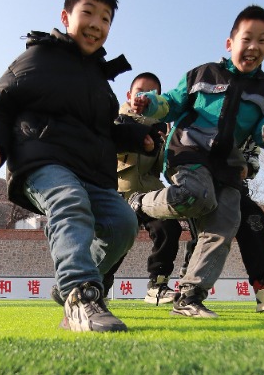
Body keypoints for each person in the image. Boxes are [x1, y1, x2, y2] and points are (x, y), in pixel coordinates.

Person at [0, 0, 159, 333]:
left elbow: (104, 130)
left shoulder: (100, 80)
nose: (96, 24)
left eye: (105, 18)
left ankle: (72, 285)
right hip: (43, 161)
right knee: (69, 200)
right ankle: (80, 294)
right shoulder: (38, 58)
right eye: (88, 12)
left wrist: (138, 137)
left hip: (91, 172)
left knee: (123, 224)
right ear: (65, 16)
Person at [129, 5, 264, 318]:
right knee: (198, 196)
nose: (254, 47)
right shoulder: (203, 74)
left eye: (262, 41)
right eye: (247, 39)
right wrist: (149, 103)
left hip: (227, 165)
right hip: (189, 152)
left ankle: (189, 297)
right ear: (230, 43)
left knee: (225, 225)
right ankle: (140, 203)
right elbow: (171, 103)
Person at [50, 72, 182, 306]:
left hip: (151, 193)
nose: (144, 97)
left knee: (169, 228)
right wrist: (135, 138)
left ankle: (158, 285)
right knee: (117, 239)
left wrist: (165, 144)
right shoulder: (114, 121)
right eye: (140, 92)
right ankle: (95, 286)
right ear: (129, 95)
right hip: (120, 193)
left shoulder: (162, 128)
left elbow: (163, 167)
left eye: (151, 94)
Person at [181, 138, 264, 313]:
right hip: (199, 184)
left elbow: (253, 158)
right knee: (207, 235)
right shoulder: (200, 122)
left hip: (234, 185)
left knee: (254, 220)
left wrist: (247, 168)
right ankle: (188, 291)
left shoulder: (251, 128)